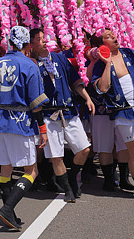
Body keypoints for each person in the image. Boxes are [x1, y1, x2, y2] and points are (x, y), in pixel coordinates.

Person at [90, 29, 134, 203]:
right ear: (101, 44)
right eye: (108, 37)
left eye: (113, 34)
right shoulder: (99, 64)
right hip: (123, 110)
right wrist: (107, 63)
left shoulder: (129, 53)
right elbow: (103, 88)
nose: (114, 37)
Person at [0, 26, 49, 231]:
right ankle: (8, 208)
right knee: (31, 170)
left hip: (0, 119)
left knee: (5, 168)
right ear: (27, 44)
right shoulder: (29, 64)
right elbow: (36, 102)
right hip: (20, 121)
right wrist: (42, 127)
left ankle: (10, 214)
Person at [29, 29, 93, 202]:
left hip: (69, 111)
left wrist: (87, 98)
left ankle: (72, 177)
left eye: (45, 38)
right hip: (49, 115)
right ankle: (67, 189)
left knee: (84, 149)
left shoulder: (59, 58)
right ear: (32, 44)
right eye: (39, 39)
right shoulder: (32, 64)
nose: (43, 41)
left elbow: (75, 81)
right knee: (56, 155)